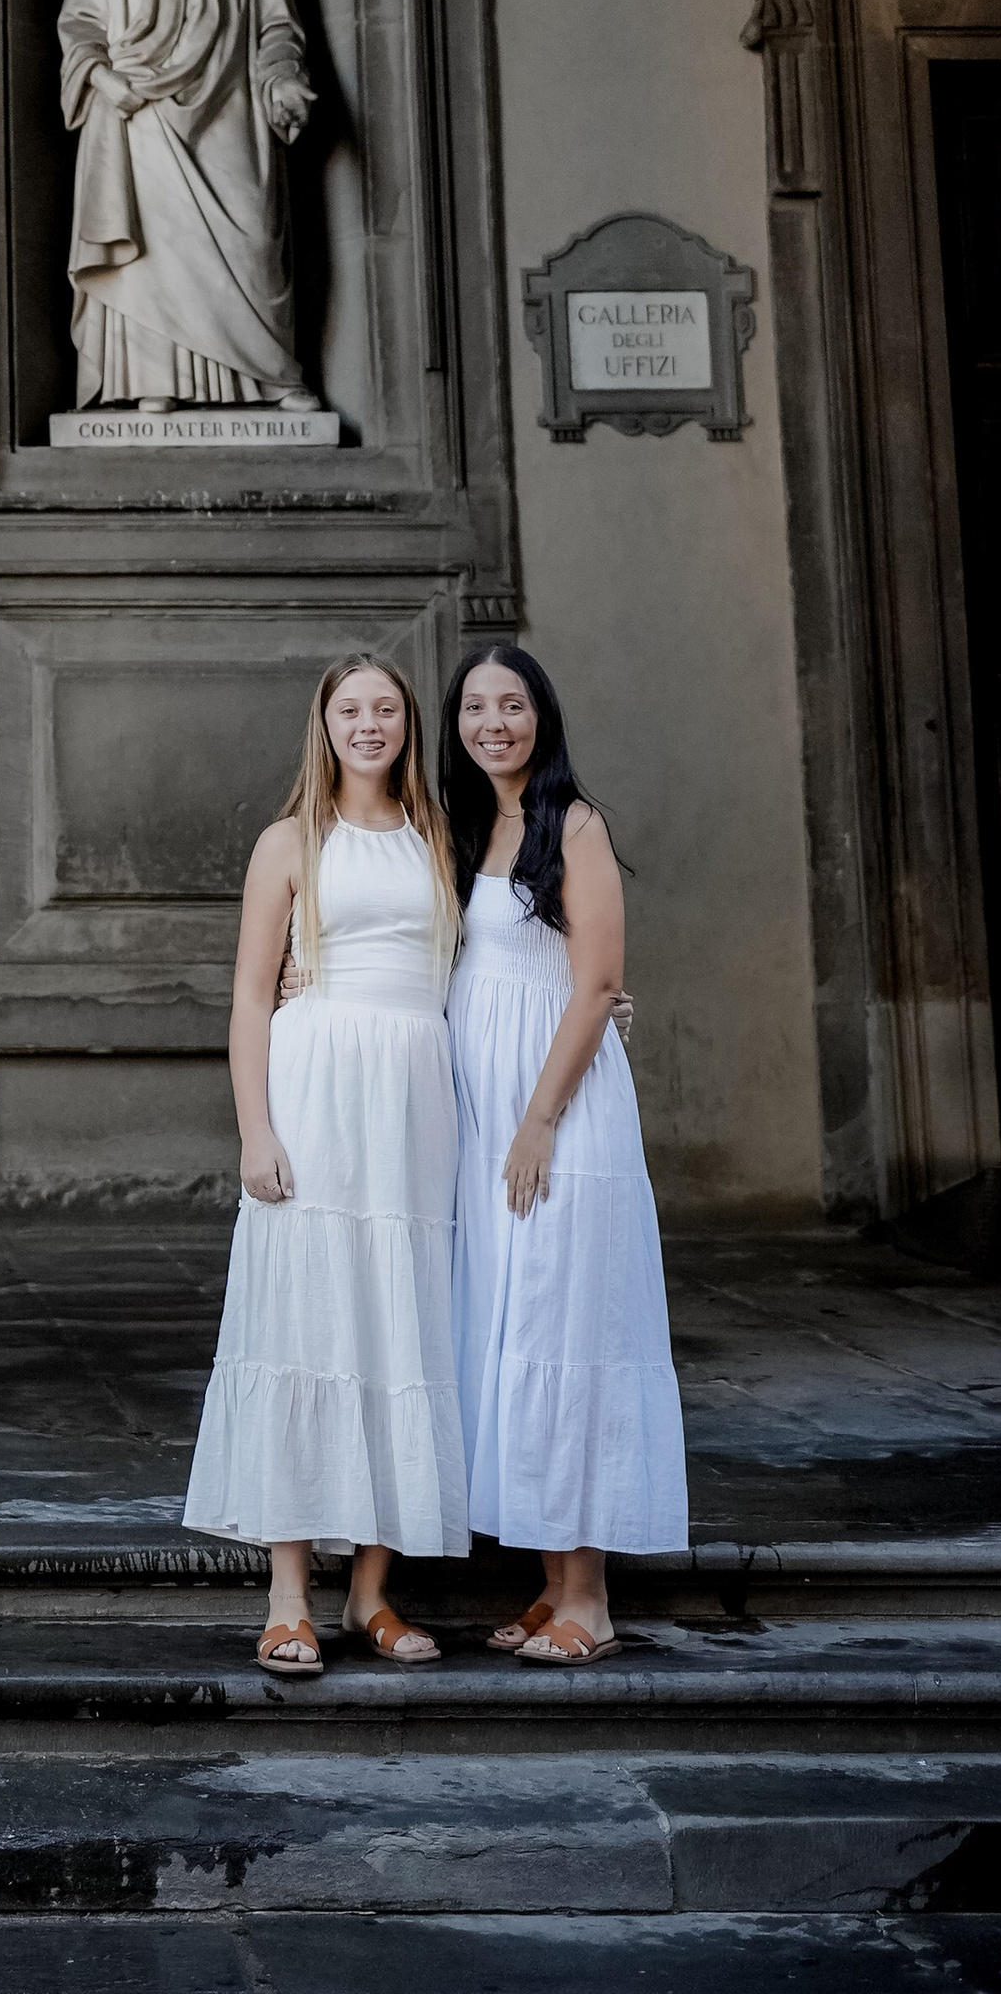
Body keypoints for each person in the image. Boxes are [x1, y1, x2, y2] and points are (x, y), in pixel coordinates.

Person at [184, 654, 468, 1675]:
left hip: (411, 1108)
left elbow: (482, 968)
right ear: (325, 724)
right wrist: (256, 1131)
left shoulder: (440, 836)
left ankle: (372, 1596)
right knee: (304, 1321)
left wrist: (600, 997)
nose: (369, 723)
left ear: (405, 728)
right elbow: (250, 998)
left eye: (385, 708)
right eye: (350, 708)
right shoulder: (289, 841)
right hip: (315, 1095)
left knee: (400, 1324)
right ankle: (289, 1594)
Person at [441, 643, 688, 1664]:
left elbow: (595, 984)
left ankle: (587, 1597)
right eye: (474, 707)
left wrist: (539, 1119)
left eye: (512, 705)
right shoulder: (461, 827)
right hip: (483, 1114)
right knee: (512, 1331)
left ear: (541, 717)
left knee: (567, 1328)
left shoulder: (572, 824)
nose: (493, 722)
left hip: (558, 1109)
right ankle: (549, 1583)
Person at [56, 0, 323, 412]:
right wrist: (101, 77)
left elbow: (276, 25)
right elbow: (80, 24)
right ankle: (155, 380)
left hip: (231, 108)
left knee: (254, 239)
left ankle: (271, 375)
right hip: (139, 115)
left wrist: (282, 76)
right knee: (155, 250)